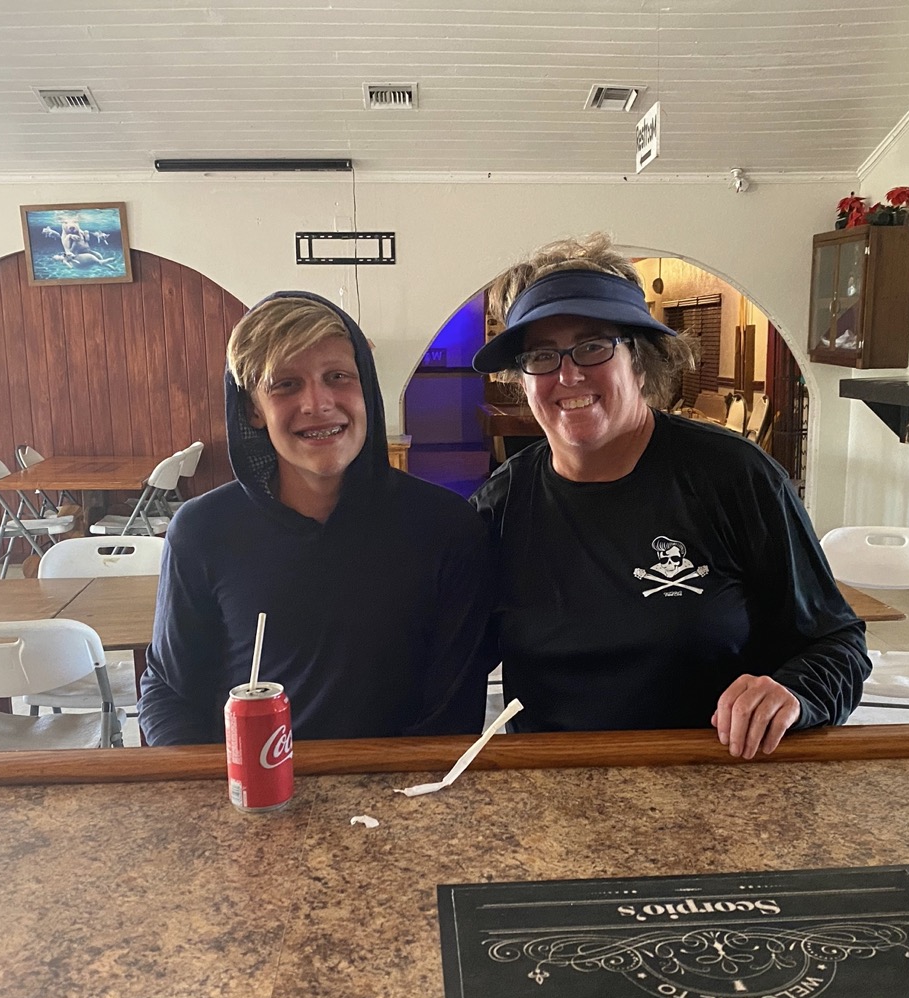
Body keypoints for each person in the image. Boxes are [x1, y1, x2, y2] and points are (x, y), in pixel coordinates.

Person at [470, 234, 869, 759]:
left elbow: (837, 643)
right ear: (521, 380)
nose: (568, 374)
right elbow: (448, 660)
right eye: (541, 355)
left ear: (640, 361)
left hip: (717, 774)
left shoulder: (736, 478)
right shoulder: (500, 506)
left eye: (593, 346)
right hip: (556, 783)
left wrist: (793, 693)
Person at [139, 292, 495, 745]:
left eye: (337, 377)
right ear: (252, 409)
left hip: (407, 783)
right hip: (248, 783)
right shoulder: (202, 530)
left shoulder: (447, 529)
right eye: (286, 384)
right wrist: (210, 782)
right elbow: (169, 691)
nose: (317, 403)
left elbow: (453, 714)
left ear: (366, 389)